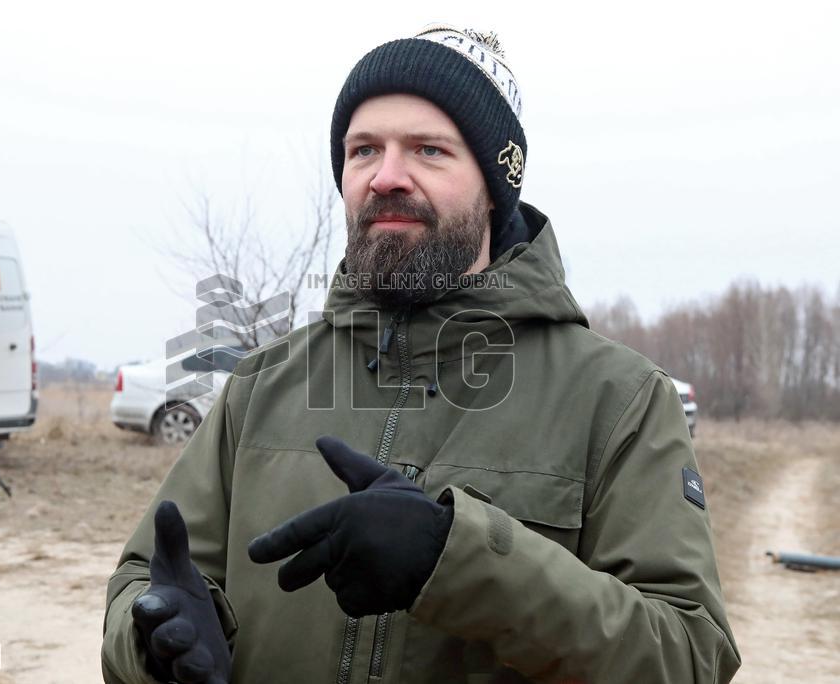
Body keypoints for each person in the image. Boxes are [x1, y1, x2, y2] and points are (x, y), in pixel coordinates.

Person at [102, 25, 741, 683]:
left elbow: (689, 655)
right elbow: (143, 577)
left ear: (495, 185)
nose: (386, 177)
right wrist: (154, 639)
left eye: (429, 150)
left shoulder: (619, 400)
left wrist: (456, 559)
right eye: (363, 150)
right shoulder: (261, 385)